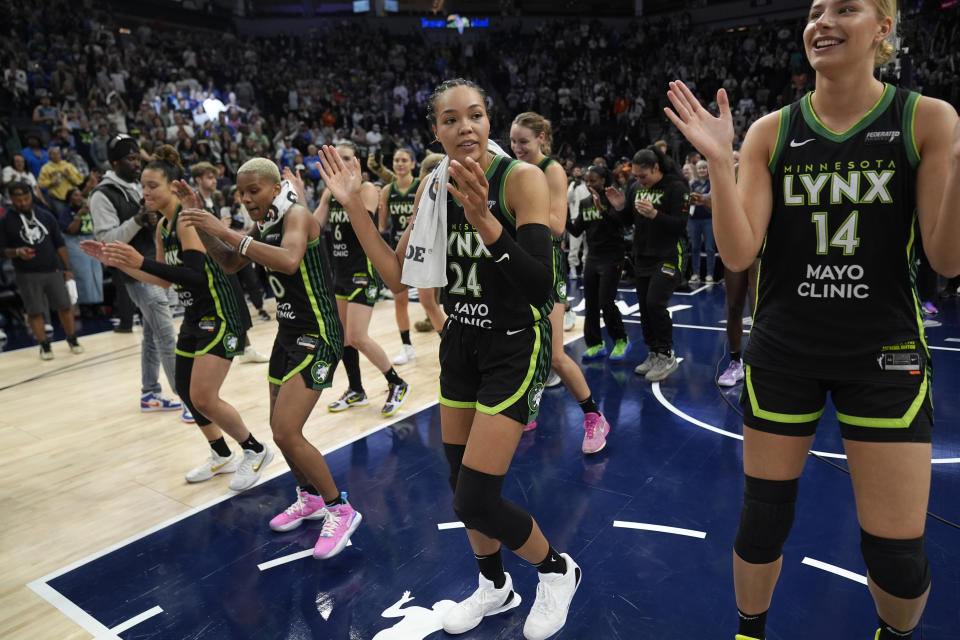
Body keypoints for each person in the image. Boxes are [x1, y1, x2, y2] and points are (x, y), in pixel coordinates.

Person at [663, 0, 960, 637]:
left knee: (898, 557)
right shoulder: (771, 131)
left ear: (883, 28)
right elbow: (740, 253)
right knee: (762, 519)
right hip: (784, 351)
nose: (821, 20)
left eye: (844, 8)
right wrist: (721, 161)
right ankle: (749, 630)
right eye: (814, 10)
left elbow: (946, 256)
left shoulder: (926, 119)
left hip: (884, 355)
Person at [316, 78, 581, 640]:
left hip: (514, 343)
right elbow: (397, 276)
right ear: (435, 130)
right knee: (462, 486)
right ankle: (494, 587)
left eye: (476, 115)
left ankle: (557, 570)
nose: (465, 127)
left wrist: (486, 219)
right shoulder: (433, 186)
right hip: (461, 341)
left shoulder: (522, 179)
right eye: (451, 119)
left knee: (476, 496)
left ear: (489, 123)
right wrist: (352, 207)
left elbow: (539, 286)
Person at [178, 162, 360, 559]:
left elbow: (290, 261)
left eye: (253, 191)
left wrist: (226, 229)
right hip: (288, 333)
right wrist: (208, 227)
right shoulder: (270, 222)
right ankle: (309, 497)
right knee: (279, 428)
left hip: (318, 333)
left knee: (285, 431)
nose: (245, 199)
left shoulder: (295, 216)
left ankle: (339, 508)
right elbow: (229, 263)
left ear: (276, 187)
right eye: (241, 193)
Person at [83, 146, 273, 491]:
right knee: (186, 391)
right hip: (193, 315)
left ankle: (255, 450)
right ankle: (221, 454)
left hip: (219, 313)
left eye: (152, 185)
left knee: (203, 397)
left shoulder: (186, 221)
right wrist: (120, 262)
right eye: (143, 187)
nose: (146, 193)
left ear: (172, 186)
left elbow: (196, 276)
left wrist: (138, 262)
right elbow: (166, 279)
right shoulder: (162, 228)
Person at [510, 112, 611, 453]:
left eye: (524, 141)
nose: (517, 147)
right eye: (513, 141)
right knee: (524, 346)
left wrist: (517, 215)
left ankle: (594, 416)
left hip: (546, 264)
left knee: (554, 355)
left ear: (542, 138)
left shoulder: (551, 169)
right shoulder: (513, 169)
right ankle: (529, 411)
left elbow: (555, 226)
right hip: (519, 264)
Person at [90, 135, 185, 417]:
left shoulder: (138, 187)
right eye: (129, 159)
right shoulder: (102, 195)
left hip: (157, 266)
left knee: (152, 336)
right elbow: (106, 240)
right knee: (167, 336)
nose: (136, 163)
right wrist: (137, 221)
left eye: (137, 158)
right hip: (136, 274)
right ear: (115, 162)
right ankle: (189, 401)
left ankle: (150, 393)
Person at [314, 141, 410, 417]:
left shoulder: (367, 190)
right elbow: (314, 227)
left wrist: (349, 195)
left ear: (355, 162)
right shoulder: (328, 192)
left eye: (346, 157)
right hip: (340, 271)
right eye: (336, 157)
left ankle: (397, 383)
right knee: (343, 337)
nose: (340, 162)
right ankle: (356, 390)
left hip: (362, 270)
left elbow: (364, 226)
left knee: (357, 336)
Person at [606, 145, 689, 382]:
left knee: (655, 303)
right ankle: (653, 352)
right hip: (642, 255)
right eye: (636, 176)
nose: (639, 181)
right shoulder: (634, 188)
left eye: (643, 176)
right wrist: (620, 207)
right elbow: (627, 222)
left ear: (656, 168)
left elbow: (679, 224)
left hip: (669, 254)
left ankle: (666, 354)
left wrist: (655, 214)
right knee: (644, 307)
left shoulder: (676, 187)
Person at [0, 182, 83, 359]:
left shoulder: (46, 216)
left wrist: (67, 269)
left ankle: (72, 339)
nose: (22, 203)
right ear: (11, 200)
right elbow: (3, 250)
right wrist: (17, 252)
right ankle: (44, 345)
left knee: (65, 306)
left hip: (53, 269)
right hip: (27, 273)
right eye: (18, 200)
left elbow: (59, 244)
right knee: (34, 311)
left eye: (25, 198)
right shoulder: (6, 221)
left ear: (31, 196)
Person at [566, 166, 630, 370]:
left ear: (604, 180)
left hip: (613, 256)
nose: (589, 184)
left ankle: (621, 339)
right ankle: (595, 344)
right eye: (587, 180)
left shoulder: (614, 199)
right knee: (591, 303)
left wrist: (603, 209)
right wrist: (562, 214)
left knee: (606, 301)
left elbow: (622, 225)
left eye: (593, 180)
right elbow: (576, 231)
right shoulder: (585, 203)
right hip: (593, 257)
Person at [377, 148, 420, 365]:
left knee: (430, 303)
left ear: (413, 164)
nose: (400, 163)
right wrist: (379, 208)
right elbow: (382, 226)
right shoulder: (387, 190)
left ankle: (446, 342)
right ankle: (407, 347)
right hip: (399, 251)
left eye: (404, 160)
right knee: (400, 301)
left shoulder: (421, 185)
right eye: (396, 160)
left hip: (422, 250)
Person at [58, 187, 104, 315]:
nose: (79, 197)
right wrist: (78, 216)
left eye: (80, 195)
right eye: (75, 195)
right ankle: (84, 306)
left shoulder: (89, 210)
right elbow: (71, 230)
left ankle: (97, 303)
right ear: (69, 199)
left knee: (96, 274)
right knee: (83, 275)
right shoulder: (66, 212)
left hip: (92, 240)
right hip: (75, 243)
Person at [688, 160, 716, 284]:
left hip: (708, 219)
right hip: (693, 220)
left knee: (710, 248)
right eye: (699, 168)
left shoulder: (713, 183)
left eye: (704, 168)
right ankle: (696, 274)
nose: (702, 170)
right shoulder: (691, 184)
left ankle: (710, 274)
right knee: (695, 248)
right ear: (696, 170)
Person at [37, 145, 84, 217]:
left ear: (60, 154)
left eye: (58, 153)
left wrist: (69, 176)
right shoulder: (45, 168)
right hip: (57, 199)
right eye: (53, 154)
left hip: (73, 198)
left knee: (79, 216)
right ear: (50, 156)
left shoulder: (68, 165)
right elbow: (40, 183)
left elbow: (79, 181)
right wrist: (51, 182)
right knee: (63, 218)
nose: (56, 156)